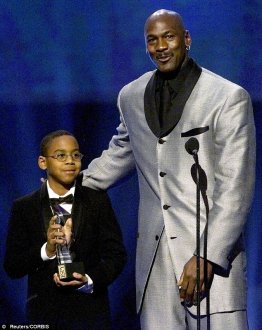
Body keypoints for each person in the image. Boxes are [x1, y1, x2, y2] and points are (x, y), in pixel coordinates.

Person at [82, 9, 256, 330]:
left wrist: (207, 254)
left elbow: (237, 187)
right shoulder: (131, 96)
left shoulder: (228, 98)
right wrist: (74, 186)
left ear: (186, 40)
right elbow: (120, 153)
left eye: (169, 36)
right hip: (155, 260)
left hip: (211, 258)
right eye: (152, 40)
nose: (161, 46)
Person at [4, 130, 127, 329]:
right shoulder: (24, 207)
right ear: (43, 162)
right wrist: (47, 250)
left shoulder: (97, 201)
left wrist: (88, 279)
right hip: (43, 314)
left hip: (91, 314)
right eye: (61, 155)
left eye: (75, 155)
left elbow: (116, 256)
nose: (70, 161)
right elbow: (12, 266)